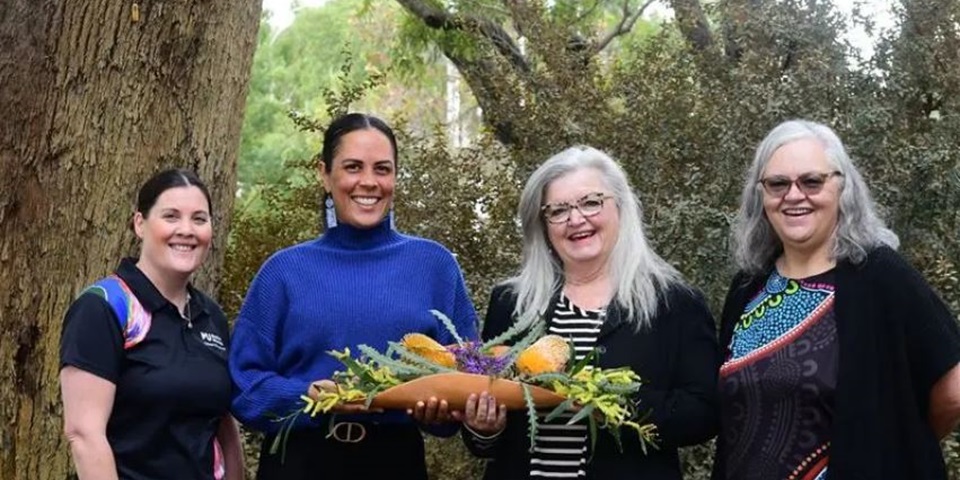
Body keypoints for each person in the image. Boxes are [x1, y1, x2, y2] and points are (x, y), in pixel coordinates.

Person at [229, 112, 479, 479]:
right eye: (352, 167)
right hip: (299, 462)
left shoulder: (434, 266)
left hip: (395, 463)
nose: (369, 182)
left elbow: (468, 374)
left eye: (382, 169)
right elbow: (243, 386)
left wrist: (441, 412)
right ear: (324, 174)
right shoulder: (283, 272)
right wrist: (307, 397)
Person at [713, 119, 960, 480]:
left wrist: (902, 443)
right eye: (777, 184)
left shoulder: (880, 275)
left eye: (812, 181)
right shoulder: (748, 288)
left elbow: (953, 386)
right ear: (760, 195)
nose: (794, 195)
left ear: (843, 188)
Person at [460, 145, 720, 479]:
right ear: (544, 225)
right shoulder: (513, 303)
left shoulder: (673, 303)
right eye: (558, 210)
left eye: (591, 202)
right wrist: (485, 428)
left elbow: (705, 413)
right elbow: (489, 434)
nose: (576, 219)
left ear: (621, 208)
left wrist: (612, 405)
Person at [60, 169, 244, 480]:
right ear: (140, 224)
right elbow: (84, 435)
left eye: (199, 219)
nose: (186, 230)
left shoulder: (210, 316)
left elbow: (221, 421)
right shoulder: (105, 306)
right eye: (171, 216)